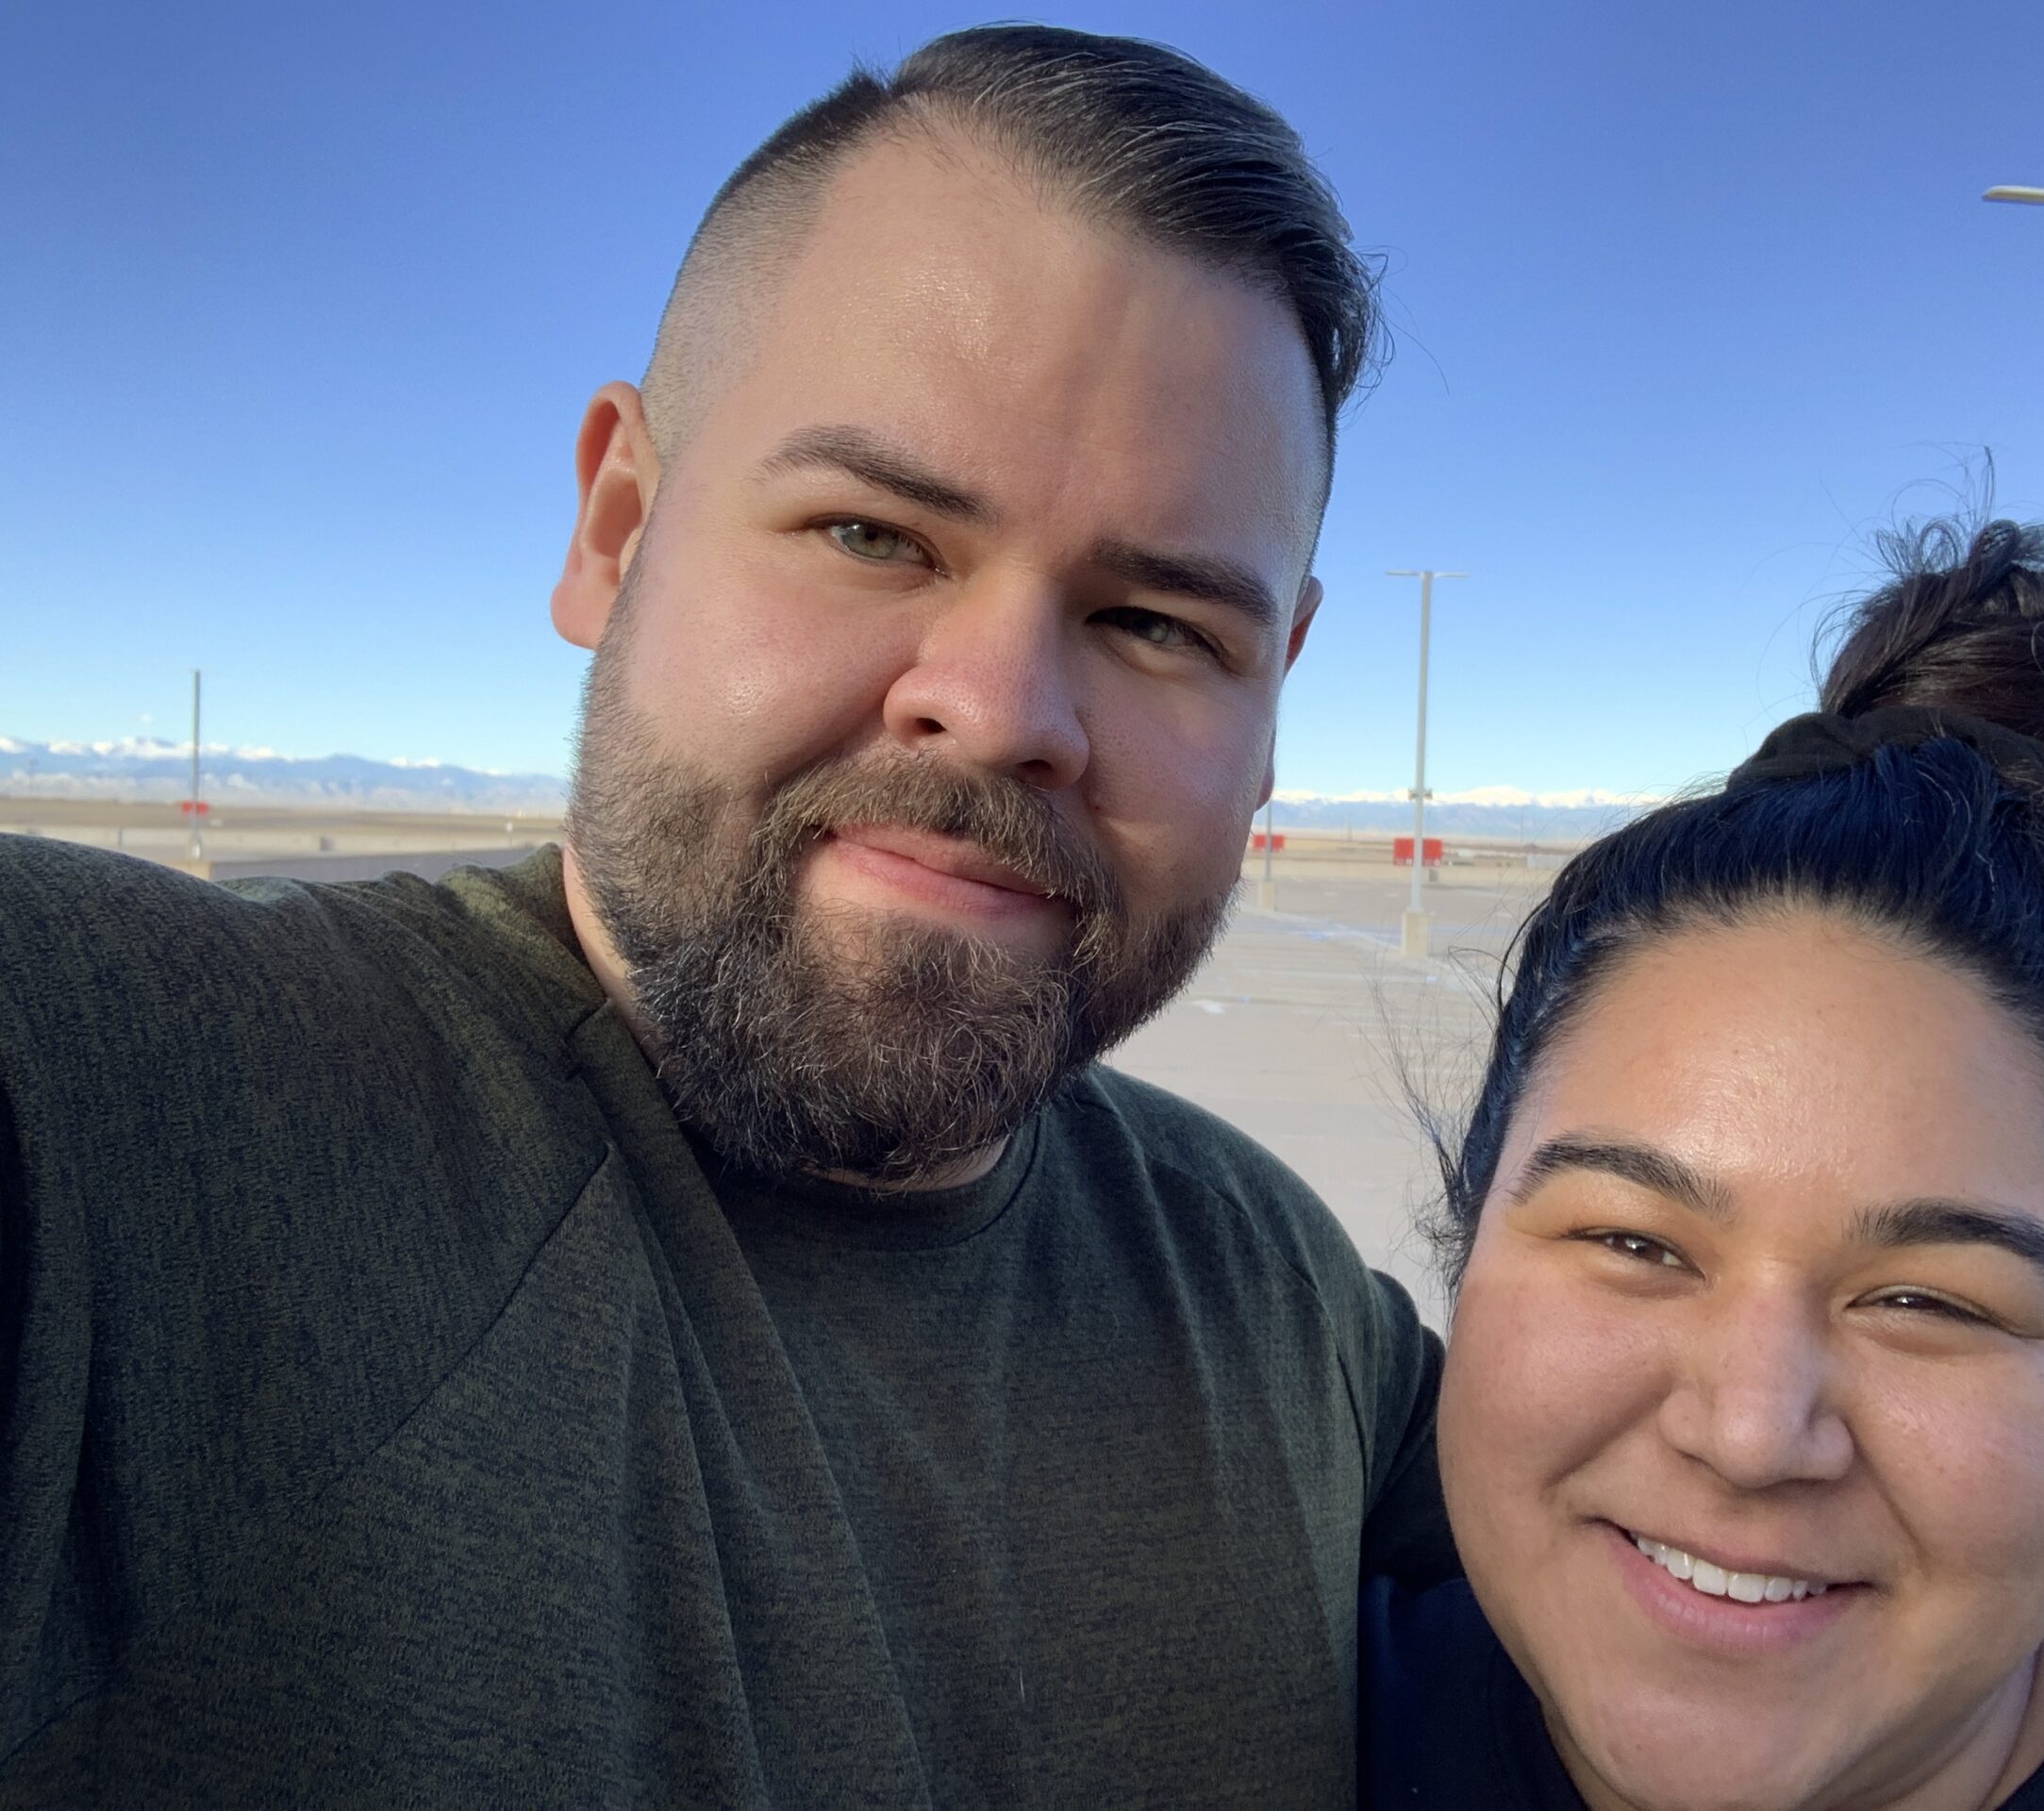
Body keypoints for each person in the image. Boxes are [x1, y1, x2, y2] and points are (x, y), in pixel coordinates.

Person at [0, 26, 1453, 1806]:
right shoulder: (129, 1115)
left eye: (1162, 625)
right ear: (619, 525)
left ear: (1277, 684)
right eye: (873, 534)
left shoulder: (1278, 1296)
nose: (1002, 710)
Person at [1362, 519, 2044, 1809]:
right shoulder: (1241, 1723)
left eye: (1929, 1300)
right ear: (1466, 1252)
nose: (1751, 1434)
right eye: (1636, 1244)